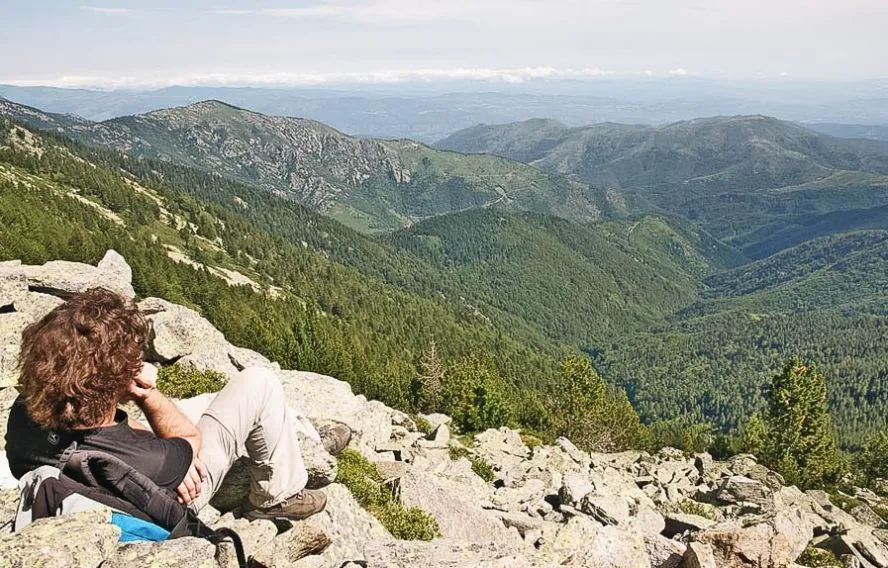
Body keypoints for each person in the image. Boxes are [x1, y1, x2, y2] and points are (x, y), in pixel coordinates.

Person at [5, 287, 350, 520]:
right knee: (259, 383)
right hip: (174, 498)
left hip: (107, 480)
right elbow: (189, 440)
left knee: (206, 402)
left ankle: (300, 436)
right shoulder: (151, 460)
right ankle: (277, 495)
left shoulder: (25, 412)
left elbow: (117, 434)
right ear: (120, 378)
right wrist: (146, 394)